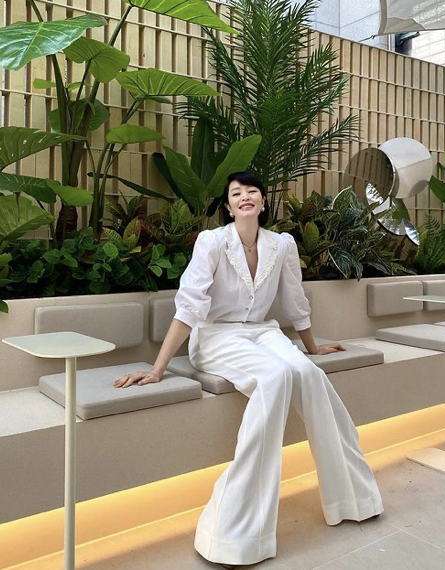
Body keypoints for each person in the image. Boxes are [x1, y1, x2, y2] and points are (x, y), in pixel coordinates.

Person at [114, 172, 384, 568]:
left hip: (263, 333)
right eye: (236, 193)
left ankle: (353, 498)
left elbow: (294, 299)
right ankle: (234, 531)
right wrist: (158, 369)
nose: (245, 196)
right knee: (275, 378)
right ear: (228, 206)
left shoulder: (282, 244)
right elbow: (190, 306)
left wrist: (312, 348)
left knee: (309, 374)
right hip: (216, 337)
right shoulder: (212, 242)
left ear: (262, 202)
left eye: (252, 191)